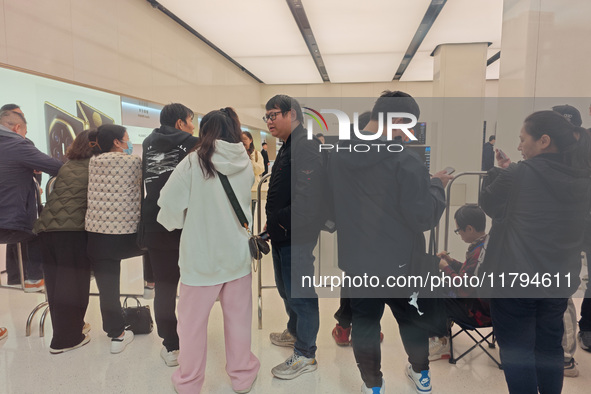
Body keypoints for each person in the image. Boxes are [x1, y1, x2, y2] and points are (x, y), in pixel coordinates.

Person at [329, 91, 451, 394]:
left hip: (358, 258)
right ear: (396, 120)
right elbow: (422, 217)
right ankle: (421, 375)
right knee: (411, 318)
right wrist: (436, 186)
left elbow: (331, 202)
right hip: (402, 259)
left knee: (366, 322)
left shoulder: (337, 154)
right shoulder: (405, 160)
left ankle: (373, 385)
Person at [480, 110, 591, 394]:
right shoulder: (582, 179)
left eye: (522, 139)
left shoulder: (518, 173)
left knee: (517, 351)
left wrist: (500, 171)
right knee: (549, 348)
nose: (518, 146)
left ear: (543, 141)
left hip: (516, 281)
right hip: (557, 282)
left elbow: (489, 203)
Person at [157, 107, 259, 394]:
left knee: (191, 326)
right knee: (239, 321)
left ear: (205, 131)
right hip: (237, 255)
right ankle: (242, 377)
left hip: (201, 257)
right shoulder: (245, 161)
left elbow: (169, 206)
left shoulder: (194, 162)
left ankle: (189, 383)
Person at [264, 94, 325, 380]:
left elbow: (309, 200)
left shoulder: (306, 144)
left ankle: (306, 353)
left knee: (300, 294)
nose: (269, 121)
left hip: (296, 234)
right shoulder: (289, 144)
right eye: (267, 116)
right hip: (282, 232)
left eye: (273, 114)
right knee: (285, 288)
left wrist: (281, 223)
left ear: (292, 114)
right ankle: (294, 331)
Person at [141, 102, 198, 366]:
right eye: (190, 120)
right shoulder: (193, 144)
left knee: (164, 286)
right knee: (193, 285)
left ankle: (170, 345)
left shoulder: (148, 142)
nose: (192, 126)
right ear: (180, 123)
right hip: (187, 222)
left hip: (154, 221)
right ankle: (192, 338)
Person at [33, 130, 95, 354]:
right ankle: (66, 339)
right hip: (71, 231)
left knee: (57, 284)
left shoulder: (67, 165)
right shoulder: (95, 166)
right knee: (73, 285)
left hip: (46, 229)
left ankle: (70, 329)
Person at [86, 124, 143, 354]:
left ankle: (117, 335)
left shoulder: (92, 161)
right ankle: (150, 284)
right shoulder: (133, 162)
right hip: (128, 234)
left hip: (98, 234)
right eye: (127, 139)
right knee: (156, 252)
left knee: (107, 289)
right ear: (118, 142)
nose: (129, 143)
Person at [0, 108, 62, 290]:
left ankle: (20, 278)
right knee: (39, 230)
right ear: (17, 127)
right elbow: (57, 167)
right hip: (10, 221)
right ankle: (34, 279)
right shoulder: (18, 144)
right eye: (24, 133)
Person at [331, 110, 376, 347]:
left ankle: (345, 326)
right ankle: (354, 327)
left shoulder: (341, 152)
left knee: (353, 277)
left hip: (349, 226)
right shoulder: (377, 154)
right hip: (373, 228)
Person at [428, 204, 491, 361]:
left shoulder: (478, 252)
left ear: (469, 228)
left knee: (432, 291)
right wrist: (451, 262)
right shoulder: (485, 246)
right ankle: (441, 333)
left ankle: (441, 344)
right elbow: (470, 274)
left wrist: (445, 267)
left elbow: (463, 287)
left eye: (458, 230)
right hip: (489, 307)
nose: (459, 234)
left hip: (477, 312)